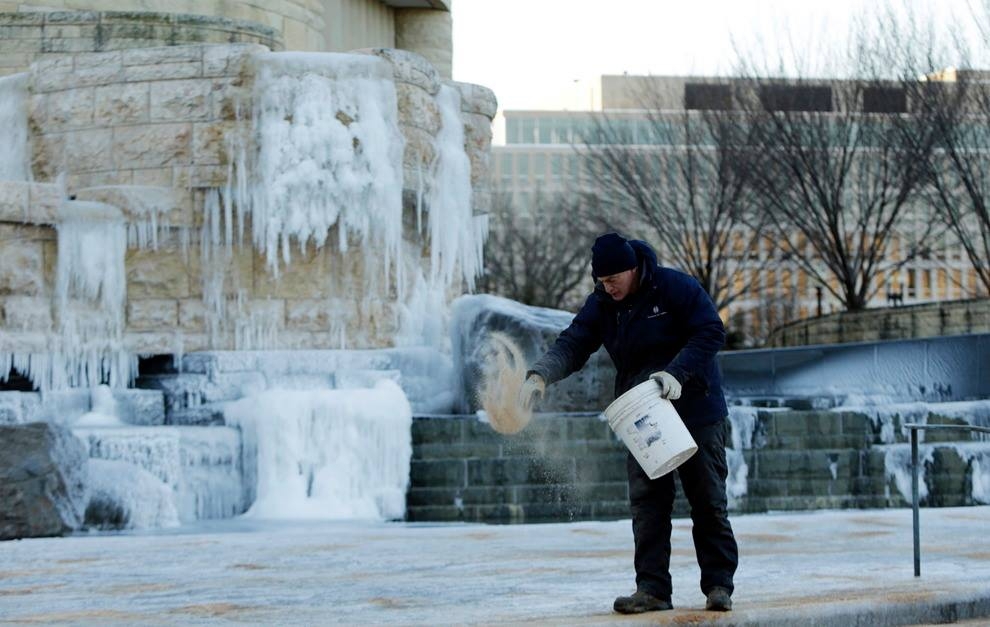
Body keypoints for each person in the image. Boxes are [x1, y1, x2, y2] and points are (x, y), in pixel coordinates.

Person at [519, 232, 738, 614]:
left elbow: (711, 331)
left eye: (614, 279)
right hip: (643, 412)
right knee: (648, 504)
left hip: (695, 404)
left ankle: (718, 585)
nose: (608, 287)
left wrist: (676, 374)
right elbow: (574, 343)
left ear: (632, 268)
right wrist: (540, 375)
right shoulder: (603, 303)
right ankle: (652, 589)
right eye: (602, 282)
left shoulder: (675, 287)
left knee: (707, 500)